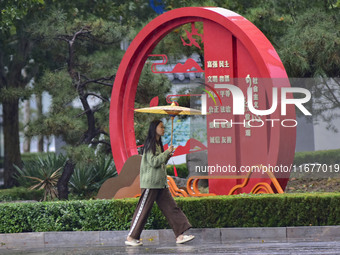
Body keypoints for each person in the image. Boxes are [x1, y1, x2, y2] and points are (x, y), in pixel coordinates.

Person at [125, 119, 195, 246]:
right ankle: (131, 237)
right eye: (161, 127)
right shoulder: (149, 144)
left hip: (160, 184)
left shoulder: (158, 144)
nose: (163, 129)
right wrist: (166, 153)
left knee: (171, 208)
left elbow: (160, 162)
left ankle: (180, 235)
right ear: (154, 129)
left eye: (163, 127)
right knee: (143, 210)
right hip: (151, 184)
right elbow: (153, 162)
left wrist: (167, 155)